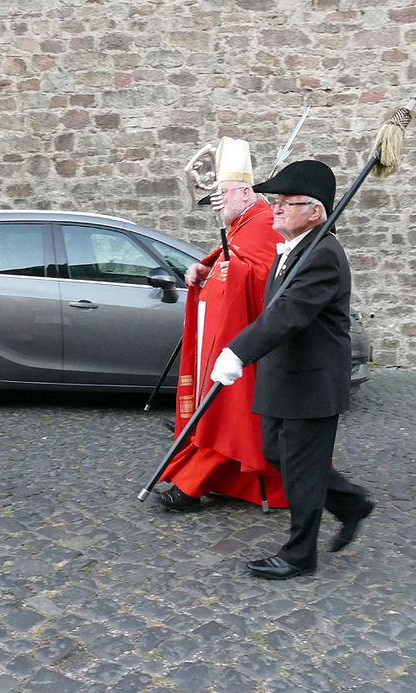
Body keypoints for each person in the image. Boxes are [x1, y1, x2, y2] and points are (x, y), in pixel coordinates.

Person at [210, 160, 374, 580]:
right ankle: (350, 502)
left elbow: (288, 314)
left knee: (301, 468)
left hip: (312, 382)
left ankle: (300, 554)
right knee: (275, 453)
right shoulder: (295, 249)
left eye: (287, 202)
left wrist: (237, 351)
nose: (276, 208)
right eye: (275, 201)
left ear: (315, 211)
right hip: (284, 374)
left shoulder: (322, 255)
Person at [156, 137, 287, 511]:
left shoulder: (262, 221)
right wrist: (204, 267)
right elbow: (229, 261)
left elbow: (263, 276)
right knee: (226, 415)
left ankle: (191, 486)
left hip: (248, 341)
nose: (219, 200)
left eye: (224, 193)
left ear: (246, 192)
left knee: (229, 415)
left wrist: (233, 272)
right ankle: (212, 482)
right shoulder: (243, 221)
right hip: (228, 336)